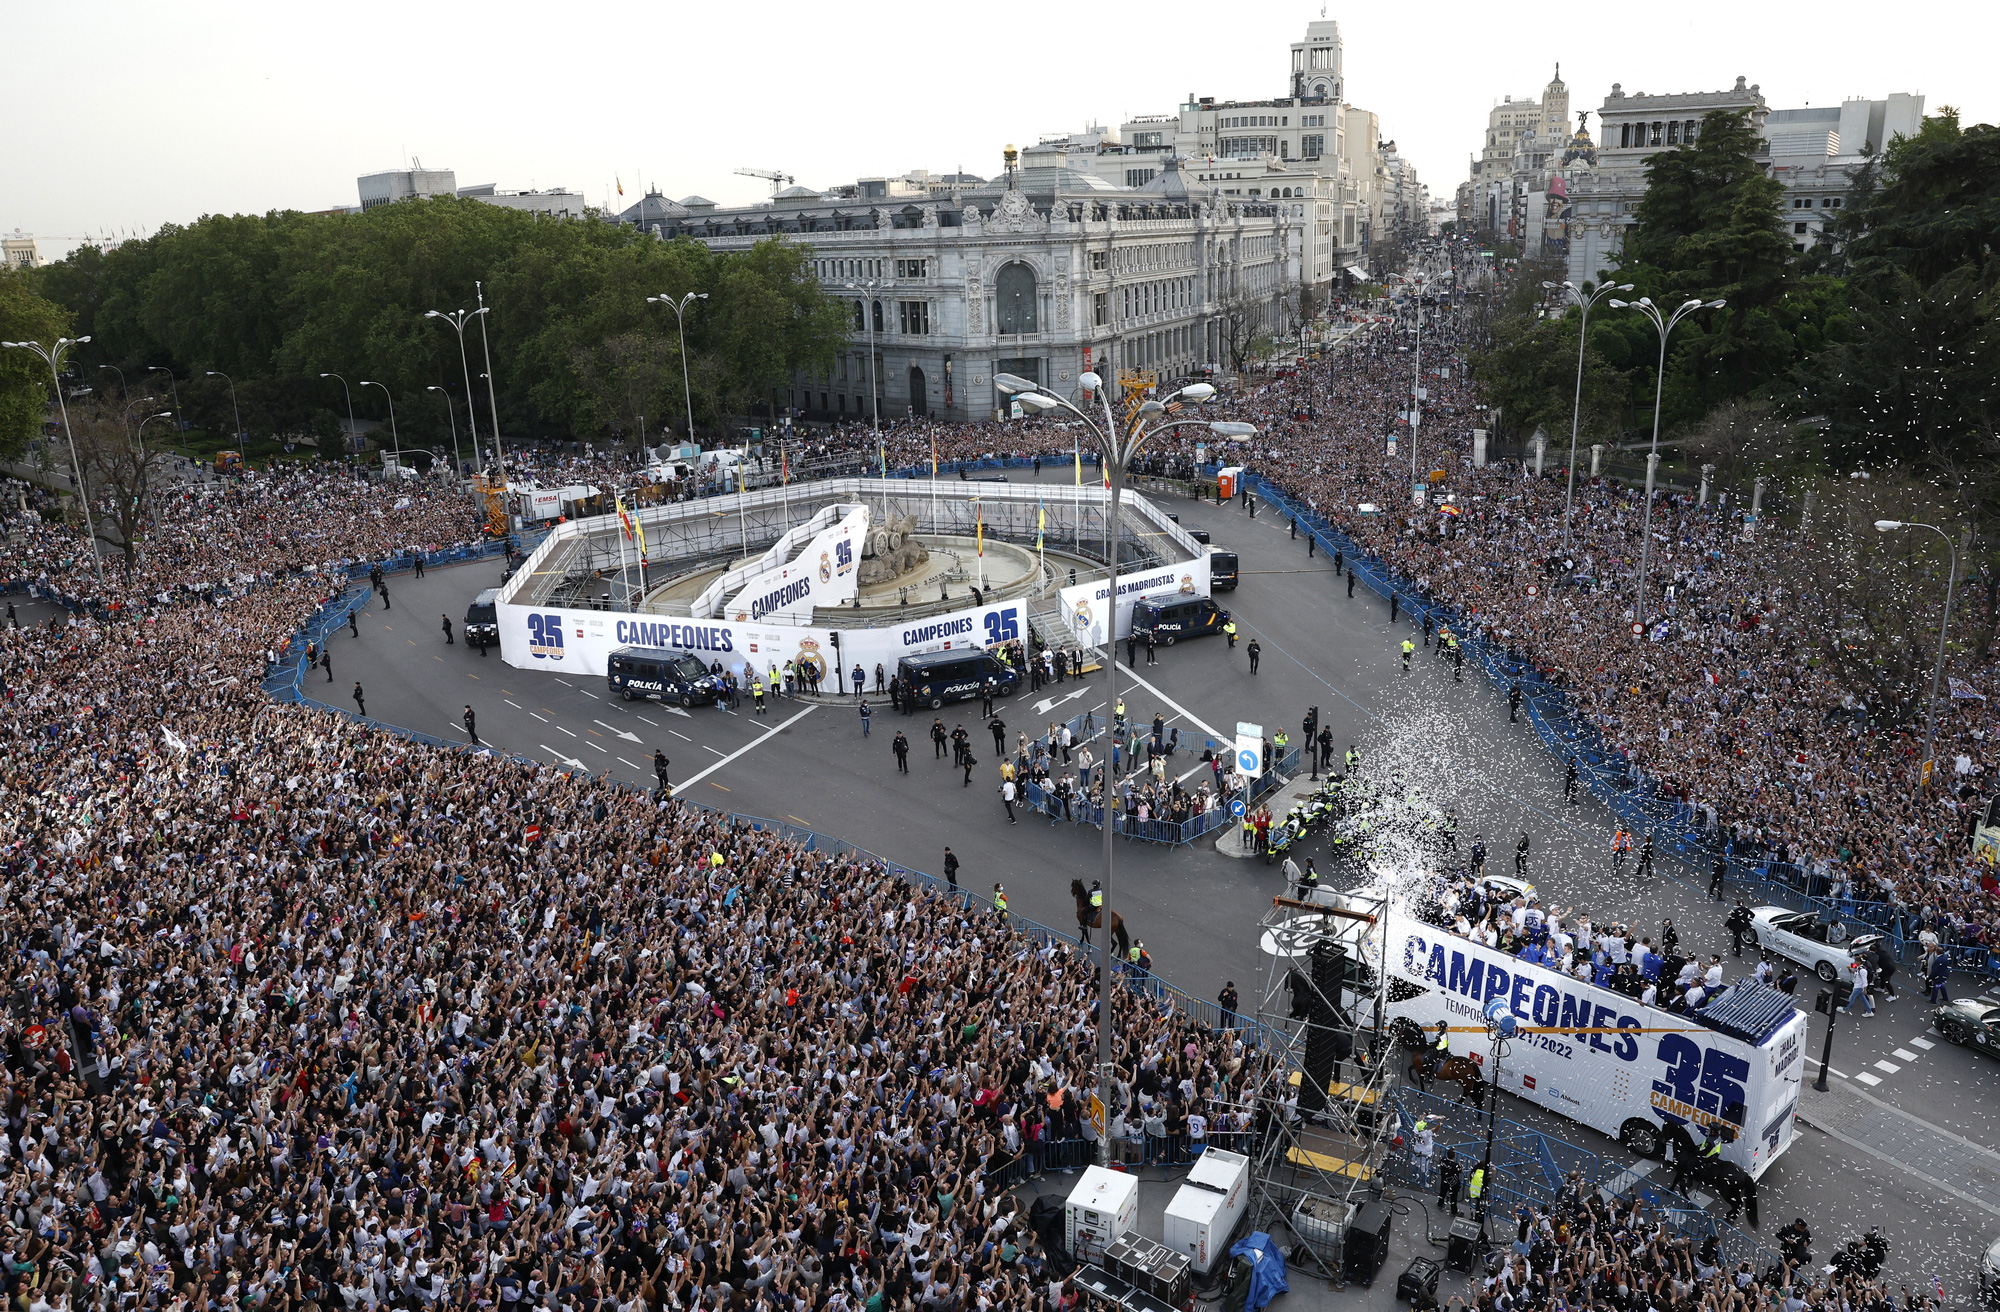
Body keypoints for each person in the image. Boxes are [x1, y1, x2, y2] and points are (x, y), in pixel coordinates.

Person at [1437, 1147, 1463, 1215]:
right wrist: (1460, 1166)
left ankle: (1440, 1203)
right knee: (1453, 1198)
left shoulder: (1443, 1160)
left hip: (1444, 1181)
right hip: (1453, 1184)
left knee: (1442, 1193)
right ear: (1454, 1156)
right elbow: (1460, 1170)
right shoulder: (1455, 1165)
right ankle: (1454, 1211)